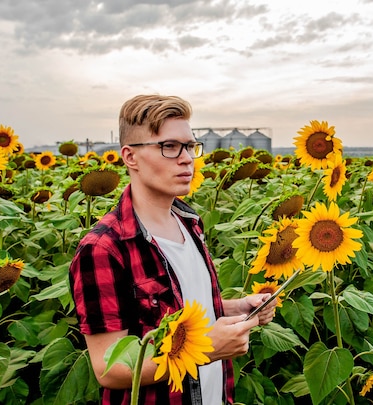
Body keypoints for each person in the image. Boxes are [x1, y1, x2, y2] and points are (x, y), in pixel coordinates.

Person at [69, 94, 276, 404]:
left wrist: (236, 307)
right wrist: (205, 349)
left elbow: (180, 306)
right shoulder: (104, 249)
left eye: (190, 147)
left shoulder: (189, 222)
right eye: (169, 147)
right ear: (130, 157)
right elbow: (108, 369)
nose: (186, 158)